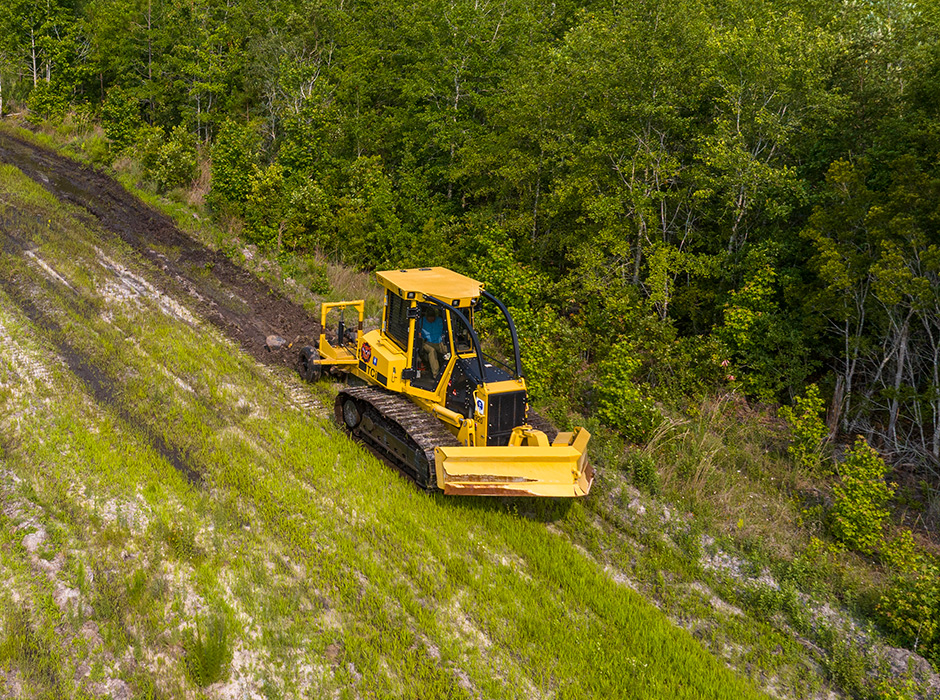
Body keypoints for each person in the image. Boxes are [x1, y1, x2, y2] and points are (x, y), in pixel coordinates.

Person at [421, 306, 446, 377]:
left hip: (439, 342)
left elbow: (445, 330)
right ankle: (436, 374)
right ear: (426, 316)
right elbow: (417, 332)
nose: (432, 319)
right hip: (426, 343)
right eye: (430, 317)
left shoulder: (440, 320)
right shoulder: (421, 321)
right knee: (432, 351)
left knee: (449, 351)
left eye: (433, 317)